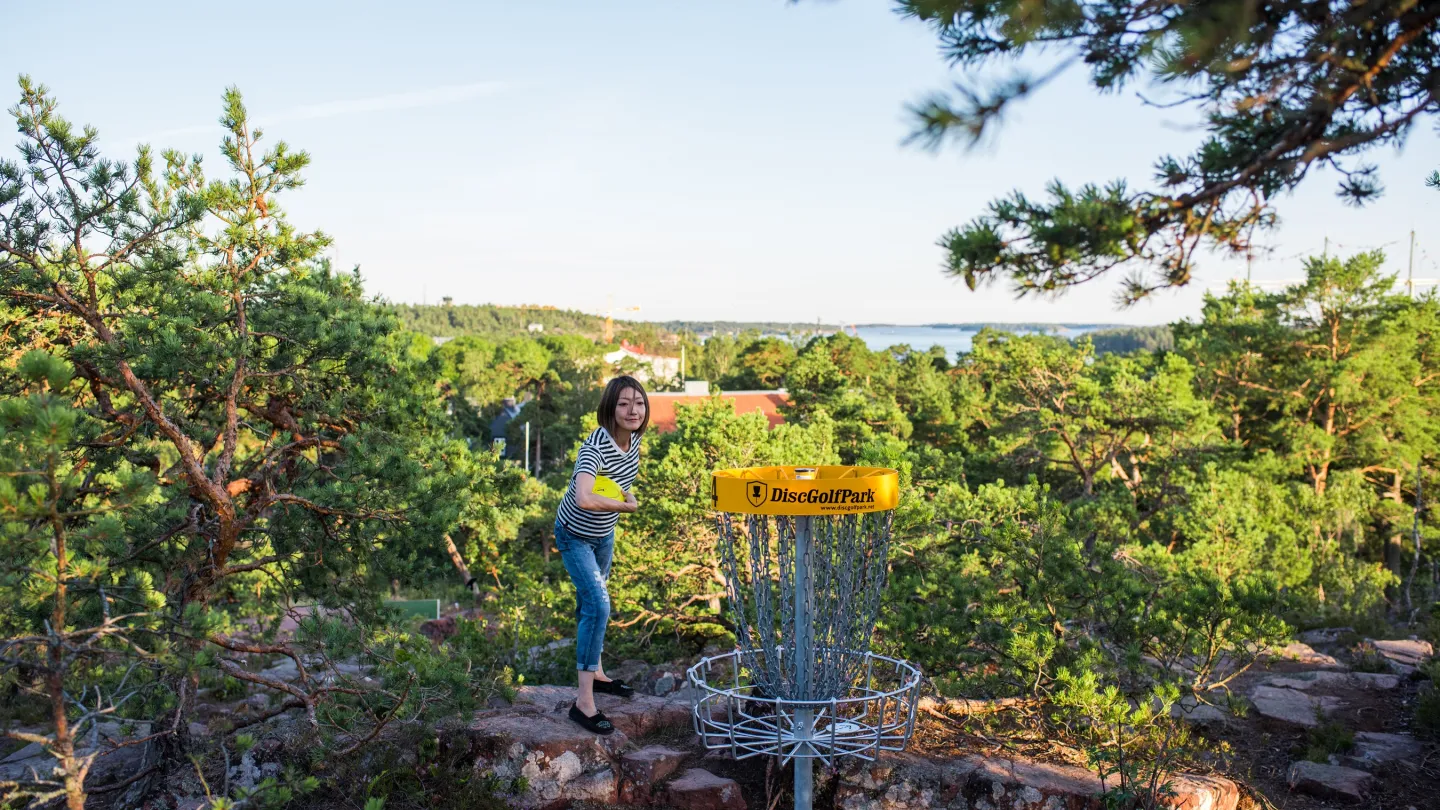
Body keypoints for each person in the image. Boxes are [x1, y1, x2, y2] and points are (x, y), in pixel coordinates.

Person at [555, 375, 647, 734]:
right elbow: (584, 498)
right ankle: (583, 703)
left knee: (589, 604)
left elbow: (617, 483)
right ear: (610, 408)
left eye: (638, 403)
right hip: (574, 535)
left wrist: (619, 503)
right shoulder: (595, 447)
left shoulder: (634, 441)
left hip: (602, 536)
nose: (632, 410)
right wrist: (627, 507)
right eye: (624, 403)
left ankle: (599, 674)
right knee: (598, 605)